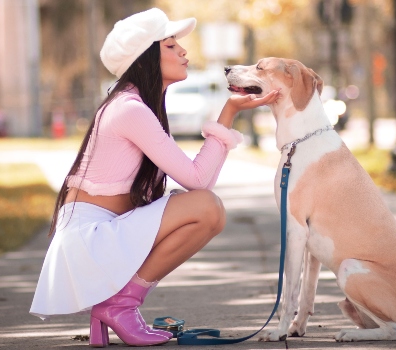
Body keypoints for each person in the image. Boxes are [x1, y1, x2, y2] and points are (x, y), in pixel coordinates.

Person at [29, 8, 279, 347]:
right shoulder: (130, 109)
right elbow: (199, 181)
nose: (184, 53)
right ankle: (120, 304)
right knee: (206, 207)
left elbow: (196, 180)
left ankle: (118, 303)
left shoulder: (135, 105)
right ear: (145, 57)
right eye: (171, 46)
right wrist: (229, 111)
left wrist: (230, 110)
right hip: (89, 239)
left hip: (98, 234)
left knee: (206, 208)